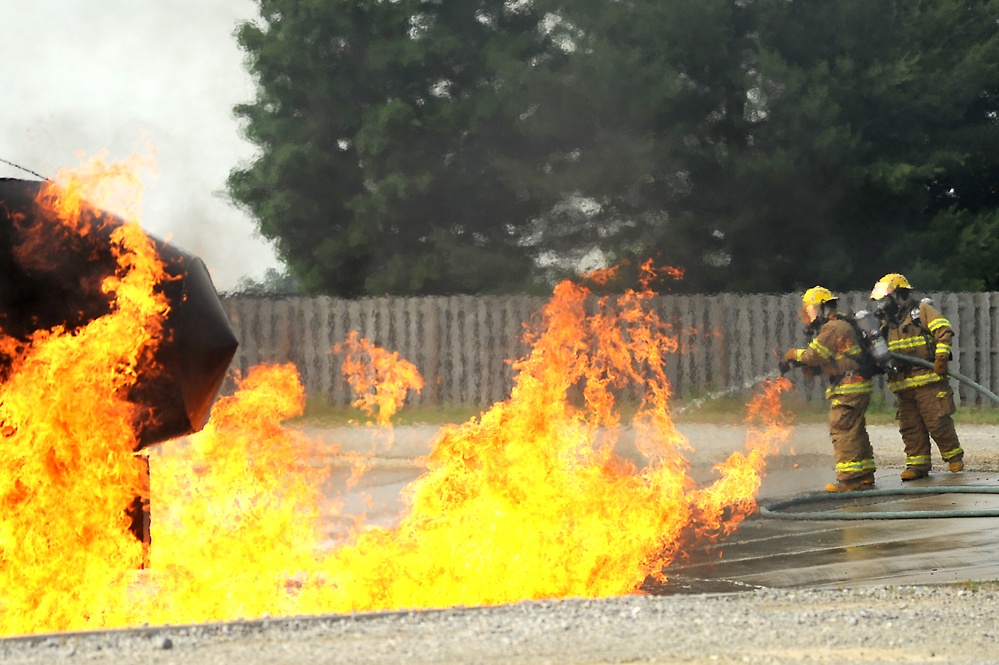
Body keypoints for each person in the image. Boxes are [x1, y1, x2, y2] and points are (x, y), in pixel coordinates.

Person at [780, 286, 876, 492]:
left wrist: (793, 355)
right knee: (855, 429)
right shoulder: (841, 324)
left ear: (823, 308)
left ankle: (849, 480)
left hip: (849, 386)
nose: (809, 315)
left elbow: (813, 355)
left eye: (812, 309)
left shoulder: (833, 327)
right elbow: (835, 357)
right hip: (856, 383)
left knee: (841, 427)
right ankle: (865, 475)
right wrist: (813, 370)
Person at [870, 273, 964, 480]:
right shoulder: (887, 324)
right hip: (903, 384)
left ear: (899, 295)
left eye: (885, 299)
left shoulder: (921, 310)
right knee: (910, 426)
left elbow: (943, 331)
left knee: (937, 421)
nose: (882, 305)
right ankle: (917, 465)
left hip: (928, 379)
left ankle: (953, 458)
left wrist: (940, 359)